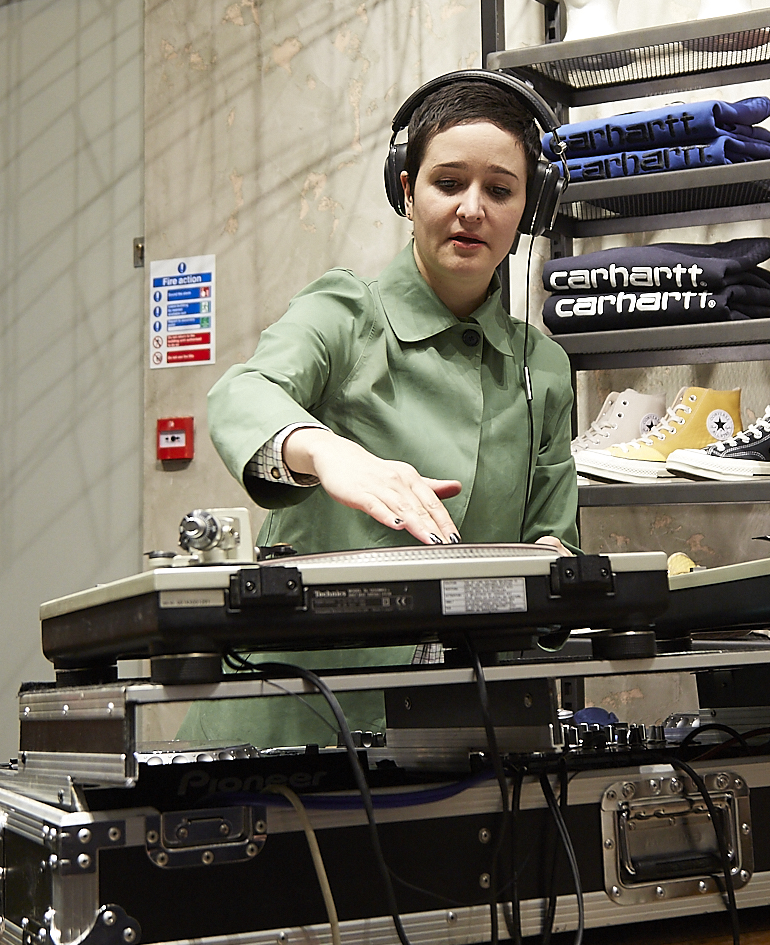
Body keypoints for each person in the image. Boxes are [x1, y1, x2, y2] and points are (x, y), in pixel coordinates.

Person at [188, 70, 579, 746]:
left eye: (500, 190)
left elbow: (556, 544)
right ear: (407, 190)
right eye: (448, 183)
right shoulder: (345, 312)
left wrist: (549, 573)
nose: (472, 209)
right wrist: (327, 452)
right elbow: (242, 393)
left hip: (460, 730)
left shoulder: (540, 367)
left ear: (531, 207)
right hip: (293, 716)